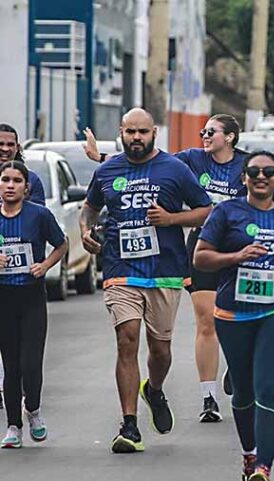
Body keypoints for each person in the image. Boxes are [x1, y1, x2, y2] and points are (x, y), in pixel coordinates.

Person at [84, 114, 274, 416]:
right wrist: (101, 157)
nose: (203, 136)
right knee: (205, 320)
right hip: (204, 250)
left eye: (210, 132)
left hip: (243, 254)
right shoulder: (192, 160)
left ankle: (237, 364)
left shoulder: (249, 166)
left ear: (229, 137)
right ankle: (208, 398)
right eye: (202, 131)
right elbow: (148, 163)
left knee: (237, 320)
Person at [80, 108, 213, 453]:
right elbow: (90, 208)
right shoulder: (107, 171)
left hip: (165, 271)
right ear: (121, 133)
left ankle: (153, 389)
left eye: (142, 132)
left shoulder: (174, 169)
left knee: (160, 350)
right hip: (120, 268)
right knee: (127, 338)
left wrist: (171, 219)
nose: (136, 138)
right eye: (130, 132)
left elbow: (206, 209)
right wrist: (84, 231)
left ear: (154, 133)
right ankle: (129, 425)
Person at [194, 150, 274, 481]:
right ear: (244, 178)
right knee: (244, 391)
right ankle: (249, 454)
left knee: (269, 386)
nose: (261, 177)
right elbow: (201, 257)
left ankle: (264, 466)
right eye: (254, 172)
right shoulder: (226, 212)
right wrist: (236, 257)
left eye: (269, 172)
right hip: (234, 311)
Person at [0, 161, 68, 448]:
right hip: (3, 297)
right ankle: (13, 426)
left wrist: (45, 265)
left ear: (26, 187)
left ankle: (34, 411)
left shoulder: (38, 215)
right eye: (5, 180)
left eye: (17, 180)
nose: (11, 185)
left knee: (30, 364)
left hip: (31, 297)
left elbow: (61, 243)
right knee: (11, 366)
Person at [0, 124, 46, 205]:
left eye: (10, 144)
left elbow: (38, 215)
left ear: (17, 148)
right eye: (1, 144)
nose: (5, 149)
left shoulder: (31, 179)